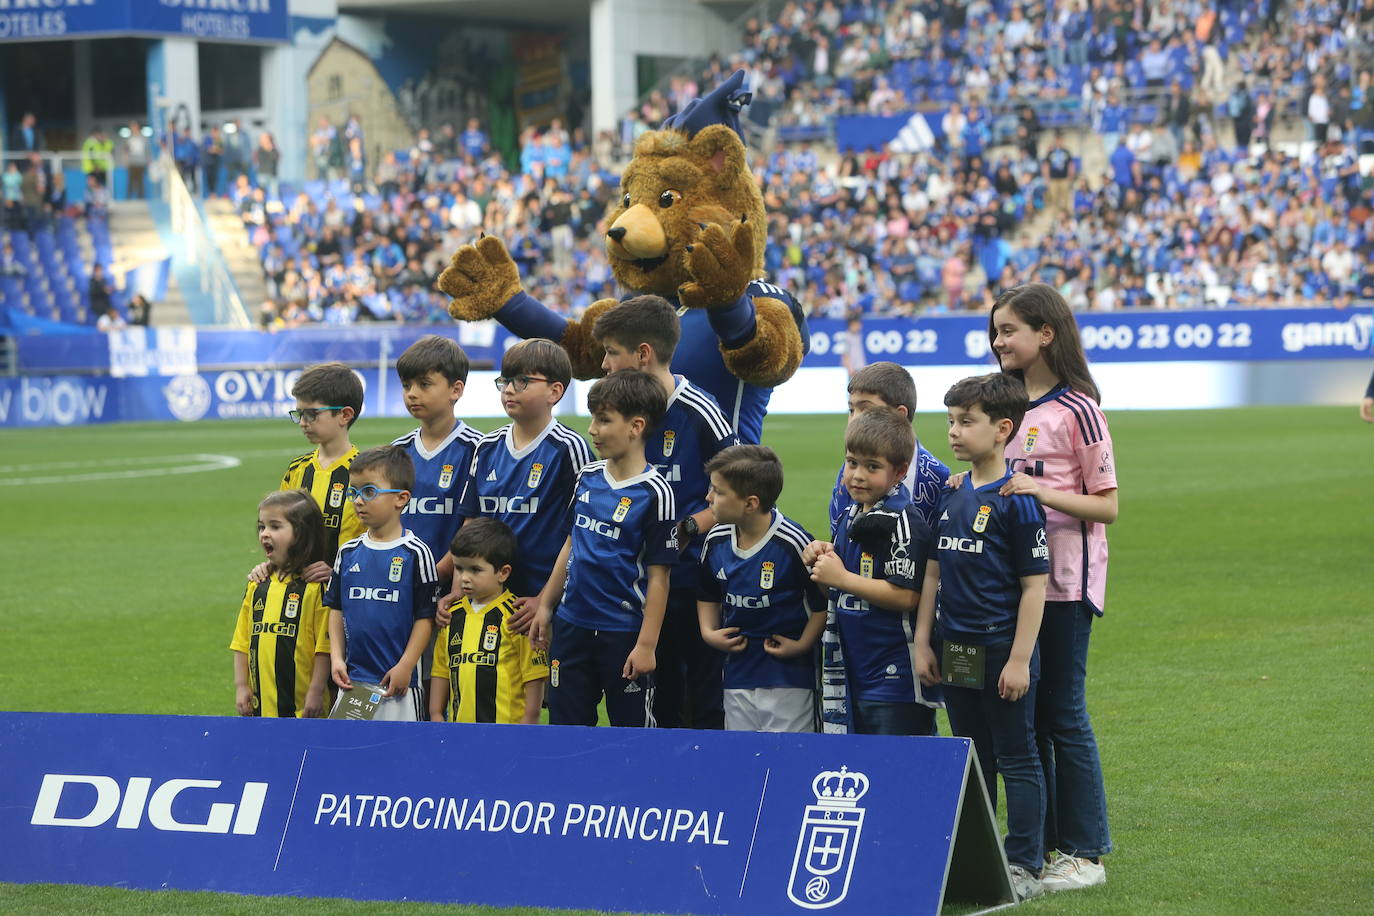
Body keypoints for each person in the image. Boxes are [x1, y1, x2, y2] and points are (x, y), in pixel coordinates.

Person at [987, 283, 1117, 891]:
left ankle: (1085, 853)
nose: (998, 340)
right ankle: (1039, 851)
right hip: (1010, 584)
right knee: (1030, 719)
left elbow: (1108, 506)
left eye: (1009, 329)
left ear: (1046, 333)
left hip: (1064, 582)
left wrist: (1040, 490)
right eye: (995, 331)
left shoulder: (1079, 409)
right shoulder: (1002, 403)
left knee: (1063, 714)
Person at [913, 372, 1049, 901]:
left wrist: (1019, 660)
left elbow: (1034, 588)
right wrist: (925, 641)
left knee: (1017, 754)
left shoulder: (1017, 500)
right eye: (950, 420)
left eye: (966, 422)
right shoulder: (951, 492)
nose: (953, 431)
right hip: (958, 648)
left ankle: (1024, 864)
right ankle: (981, 859)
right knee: (973, 754)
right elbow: (933, 575)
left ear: (1002, 430)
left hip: (1000, 650)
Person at [594, 295, 739, 729]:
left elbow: (739, 492)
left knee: (702, 700)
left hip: (689, 582)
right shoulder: (615, 419)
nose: (603, 364)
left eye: (611, 352)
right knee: (650, 705)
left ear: (643, 354)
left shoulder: (700, 413)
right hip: (629, 587)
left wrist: (688, 528)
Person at [531, 370, 677, 727]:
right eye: (593, 418)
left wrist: (646, 645)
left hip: (622, 632)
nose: (593, 429)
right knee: (565, 727)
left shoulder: (656, 493)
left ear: (636, 426)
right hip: (572, 626)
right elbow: (571, 545)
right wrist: (546, 605)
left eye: (604, 420)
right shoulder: (588, 477)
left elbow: (659, 578)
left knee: (631, 734)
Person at [822, 362, 950, 734]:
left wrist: (926, 642)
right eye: (851, 409)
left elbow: (928, 577)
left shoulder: (935, 482)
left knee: (900, 749)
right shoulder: (851, 481)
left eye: (865, 408)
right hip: (855, 645)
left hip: (902, 650)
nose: (854, 418)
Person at [803, 408, 933, 735]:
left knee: (897, 768)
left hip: (894, 677)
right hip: (851, 671)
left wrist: (843, 578)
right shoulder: (849, 515)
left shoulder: (904, 520)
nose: (858, 475)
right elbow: (834, 589)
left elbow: (906, 595)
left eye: (872, 467)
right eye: (852, 463)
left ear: (900, 471)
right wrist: (820, 565)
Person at [450, 339, 592, 628]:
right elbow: (471, 523)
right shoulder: (486, 447)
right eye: (505, 381)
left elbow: (580, 535)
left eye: (522, 381)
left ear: (555, 391)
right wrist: (457, 591)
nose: (509, 389)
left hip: (542, 604)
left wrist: (545, 600)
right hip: (487, 599)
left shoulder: (569, 448)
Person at [697, 445, 826, 732]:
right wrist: (709, 632)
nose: (708, 497)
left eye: (718, 492)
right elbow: (706, 592)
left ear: (750, 503)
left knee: (791, 757)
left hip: (790, 678)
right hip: (737, 675)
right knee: (742, 759)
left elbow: (822, 604)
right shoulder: (715, 540)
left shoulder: (793, 544)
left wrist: (803, 644)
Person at [326, 446, 439, 721]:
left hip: (397, 686)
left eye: (369, 491)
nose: (358, 501)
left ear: (401, 498)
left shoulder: (416, 553)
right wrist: (337, 658)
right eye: (354, 492)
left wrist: (406, 666)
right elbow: (336, 610)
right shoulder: (347, 552)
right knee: (348, 756)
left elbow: (425, 618)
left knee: (401, 759)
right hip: (353, 684)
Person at [429, 518, 548, 724]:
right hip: (461, 734)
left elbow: (534, 676)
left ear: (503, 573)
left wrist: (529, 723)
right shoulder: (452, 616)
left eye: (475, 570)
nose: (464, 577)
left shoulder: (517, 617)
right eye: (459, 568)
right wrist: (436, 714)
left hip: (506, 735)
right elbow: (441, 670)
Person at [230, 489, 332, 718]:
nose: (264, 534)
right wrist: (241, 686)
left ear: (302, 534)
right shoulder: (258, 585)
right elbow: (241, 642)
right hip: (261, 708)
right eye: (261, 527)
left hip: (304, 709)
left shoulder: (316, 589)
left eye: (275, 527)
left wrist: (315, 692)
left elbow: (324, 650)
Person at [390, 335, 481, 575]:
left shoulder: (479, 449)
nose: (412, 393)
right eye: (406, 385)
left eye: (424, 384)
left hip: (455, 586)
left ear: (456, 389)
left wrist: (434, 576)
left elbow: (476, 528)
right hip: (400, 581)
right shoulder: (396, 452)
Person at [280, 362, 366, 565]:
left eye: (311, 414)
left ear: (345, 415)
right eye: (299, 414)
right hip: (300, 592)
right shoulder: (297, 470)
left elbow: (378, 540)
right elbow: (280, 530)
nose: (302, 422)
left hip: (346, 591)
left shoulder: (367, 474)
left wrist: (336, 573)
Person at [123, 122, 149, 199]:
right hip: (132, 162)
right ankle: (128, 197)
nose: (133, 129)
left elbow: (147, 150)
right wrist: (125, 160)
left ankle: (141, 196)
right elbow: (125, 150)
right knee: (130, 180)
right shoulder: (129, 138)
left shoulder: (143, 138)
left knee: (140, 181)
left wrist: (148, 160)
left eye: (134, 127)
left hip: (141, 162)